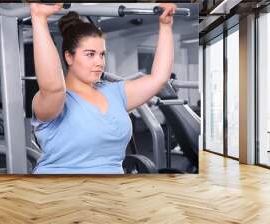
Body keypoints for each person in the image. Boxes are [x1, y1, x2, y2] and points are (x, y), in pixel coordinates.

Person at [30, 3, 175, 174]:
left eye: (102, 54)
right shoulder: (55, 100)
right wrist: (39, 19)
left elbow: (159, 79)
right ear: (69, 57)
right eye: (90, 54)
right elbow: (53, 87)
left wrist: (165, 26)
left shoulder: (115, 93)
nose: (99, 62)